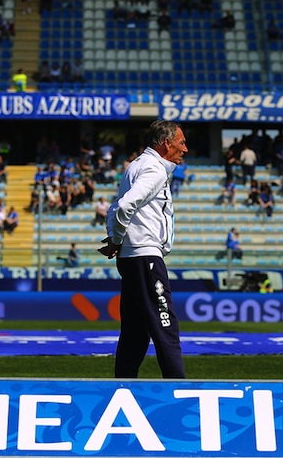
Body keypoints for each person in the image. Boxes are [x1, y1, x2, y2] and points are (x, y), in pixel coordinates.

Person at [98, 120, 187, 379]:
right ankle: (180, 388)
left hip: (132, 256)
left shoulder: (136, 165)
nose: (185, 148)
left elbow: (115, 208)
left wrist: (117, 239)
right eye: (181, 142)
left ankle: (123, 385)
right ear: (166, 144)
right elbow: (125, 206)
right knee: (165, 325)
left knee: (135, 332)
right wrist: (116, 240)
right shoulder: (154, 169)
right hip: (145, 256)